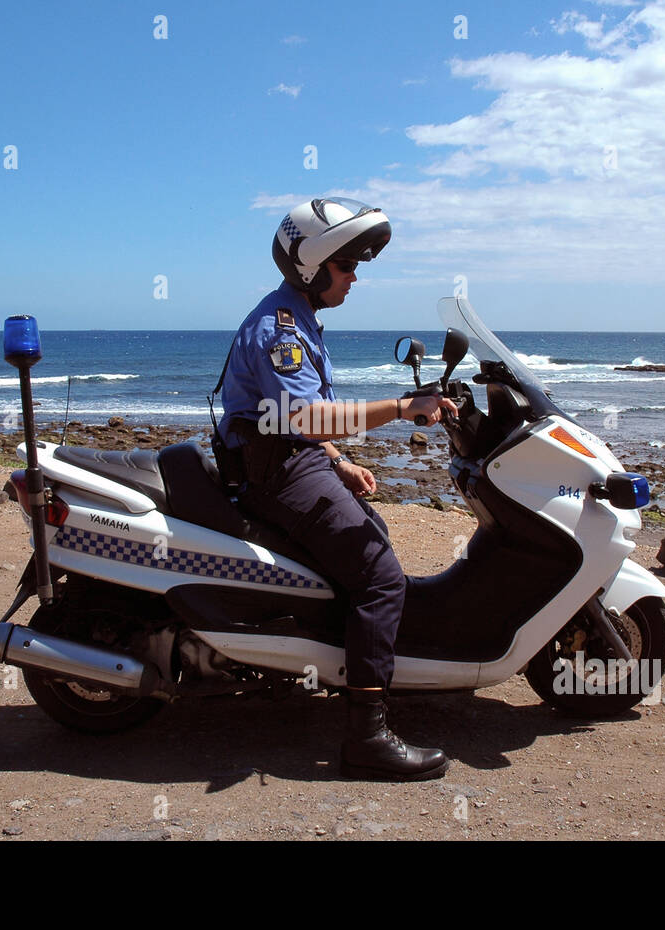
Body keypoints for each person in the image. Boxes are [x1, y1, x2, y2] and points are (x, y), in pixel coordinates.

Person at [216, 197, 458, 781]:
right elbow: (304, 418)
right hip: (276, 474)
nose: (353, 278)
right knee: (380, 576)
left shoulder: (294, 316)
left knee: (371, 538)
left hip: (290, 459)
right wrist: (403, 407)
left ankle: (337, 662)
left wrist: (338, 461)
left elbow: (289, 417)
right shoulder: (281, 330)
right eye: (347, 266)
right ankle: (366, 737)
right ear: (313, 266)